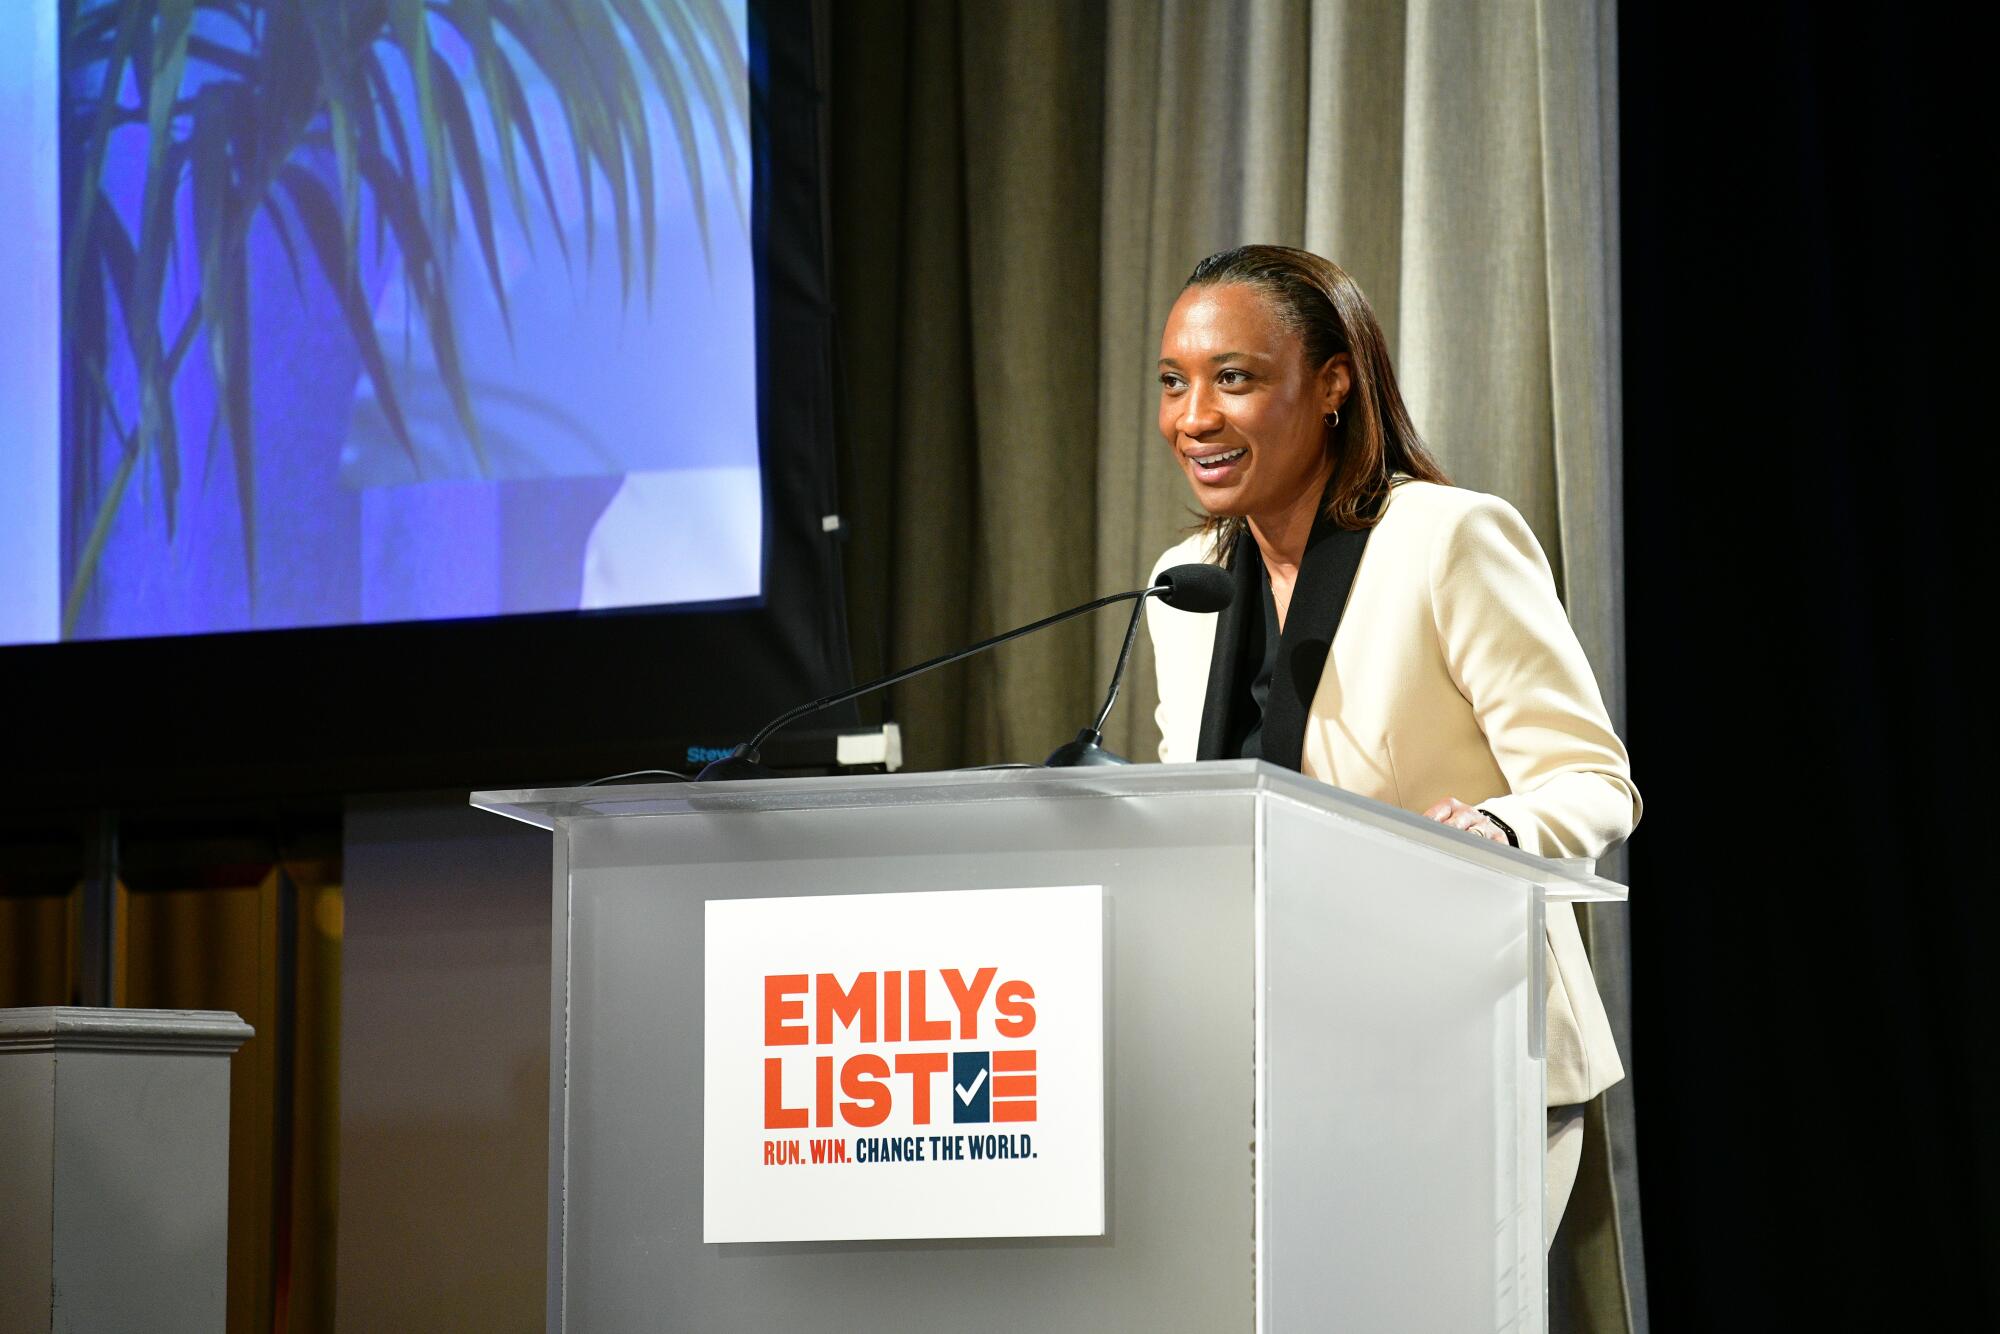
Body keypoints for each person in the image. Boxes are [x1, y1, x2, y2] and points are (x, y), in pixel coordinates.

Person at [1144, 244, 1641, 1246]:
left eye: (1232, 378)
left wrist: (1494, 830)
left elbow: (1593, 779)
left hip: (1462, 1047)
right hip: (1268, 1066)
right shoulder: (1185, 581)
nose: (1192, 417)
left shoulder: (1444, 539)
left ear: (1331, 384)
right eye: (1173, 383)